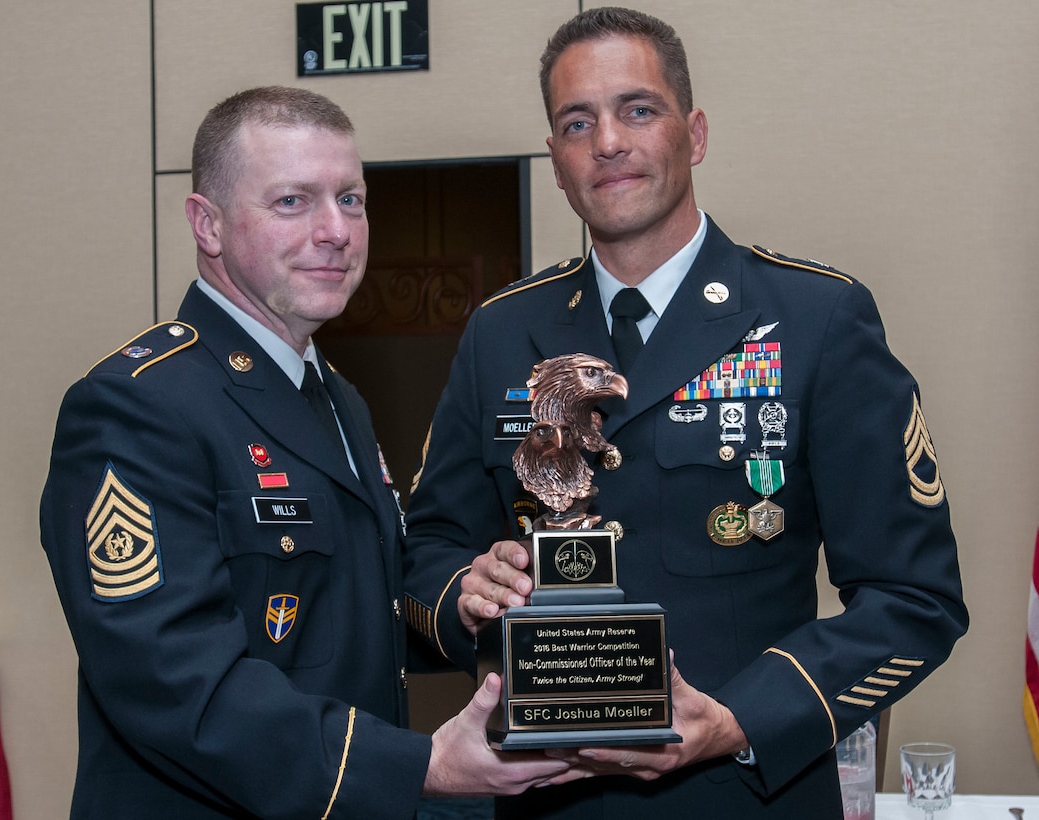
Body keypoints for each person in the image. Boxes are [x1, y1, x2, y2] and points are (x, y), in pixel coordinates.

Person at [402, 8, 968, 818]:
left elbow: (914, 599)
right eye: (575, 122)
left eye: (638, 109)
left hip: (745, 793)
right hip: (544, 798)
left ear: (693, 133)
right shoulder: (501, 332)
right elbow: (425, 548)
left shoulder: (814, 319)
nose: (607, 141)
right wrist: (465, 592)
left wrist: (741, 719)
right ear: (556, 163)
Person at [39, 86, 586, 819]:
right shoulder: (138, 405)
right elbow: (176, 684)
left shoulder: (336, 399)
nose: (335, 230)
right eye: (292, 202)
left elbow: (358, 610)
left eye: (351, 200)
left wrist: (465, 603)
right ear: (208, 223)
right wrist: (419, 765)